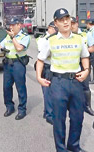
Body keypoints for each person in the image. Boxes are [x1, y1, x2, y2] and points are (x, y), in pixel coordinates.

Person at [36, 8, 89, 152]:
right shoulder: (50, 41)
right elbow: (40, 60)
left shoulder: (79, 39)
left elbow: (85, 57)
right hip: (59, 83)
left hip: (76, 82)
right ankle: (61, 148)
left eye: (67, 18)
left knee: (78, 117)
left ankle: (73, 144)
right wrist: (39, 77)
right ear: (56, 23)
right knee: (59, 119)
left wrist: (86, 70)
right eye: (61, 20)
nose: (65, 22)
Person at [0, 17, 30, 120]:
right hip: (8, 64)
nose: (11, 27)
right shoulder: (8, 36)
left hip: (18, 64)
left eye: (13, 25)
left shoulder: (24, 37)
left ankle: (22, 109)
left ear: (19, 25)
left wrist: (13, 38)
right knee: (6, 87)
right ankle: (9, 107)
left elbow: (19, 48)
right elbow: (2, 44)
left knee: (20, 87)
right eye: (10, 25)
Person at [71, 17, 94, 116]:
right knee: (72, 85)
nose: (72, 26)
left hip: (84, 62)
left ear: (77, 24)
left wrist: (81, 51)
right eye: (70, 24)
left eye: (74, 23)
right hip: (72, 63)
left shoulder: (86, 34)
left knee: (85, 86)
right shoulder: (68, 36)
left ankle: (87, 106)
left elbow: (92, 48)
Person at [36, 21, 57, 125]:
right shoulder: (45, 39)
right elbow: (41, 52)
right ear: (49, 28)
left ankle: (46, 111)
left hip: (54, 68)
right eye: (54, 28)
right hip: (47, 67)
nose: (55, 30)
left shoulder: (56, 38)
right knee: (47, 92)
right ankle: (49, 114)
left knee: (51, 92)